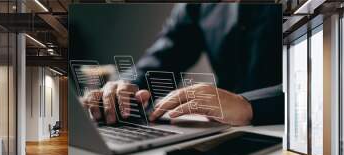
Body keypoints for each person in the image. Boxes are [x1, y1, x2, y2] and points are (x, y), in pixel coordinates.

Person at [84, 3, 283, 126]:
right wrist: (122, 87)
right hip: (225, 132)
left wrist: (248, 104)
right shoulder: (195, 5)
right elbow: (163, 59)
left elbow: (313, 79)